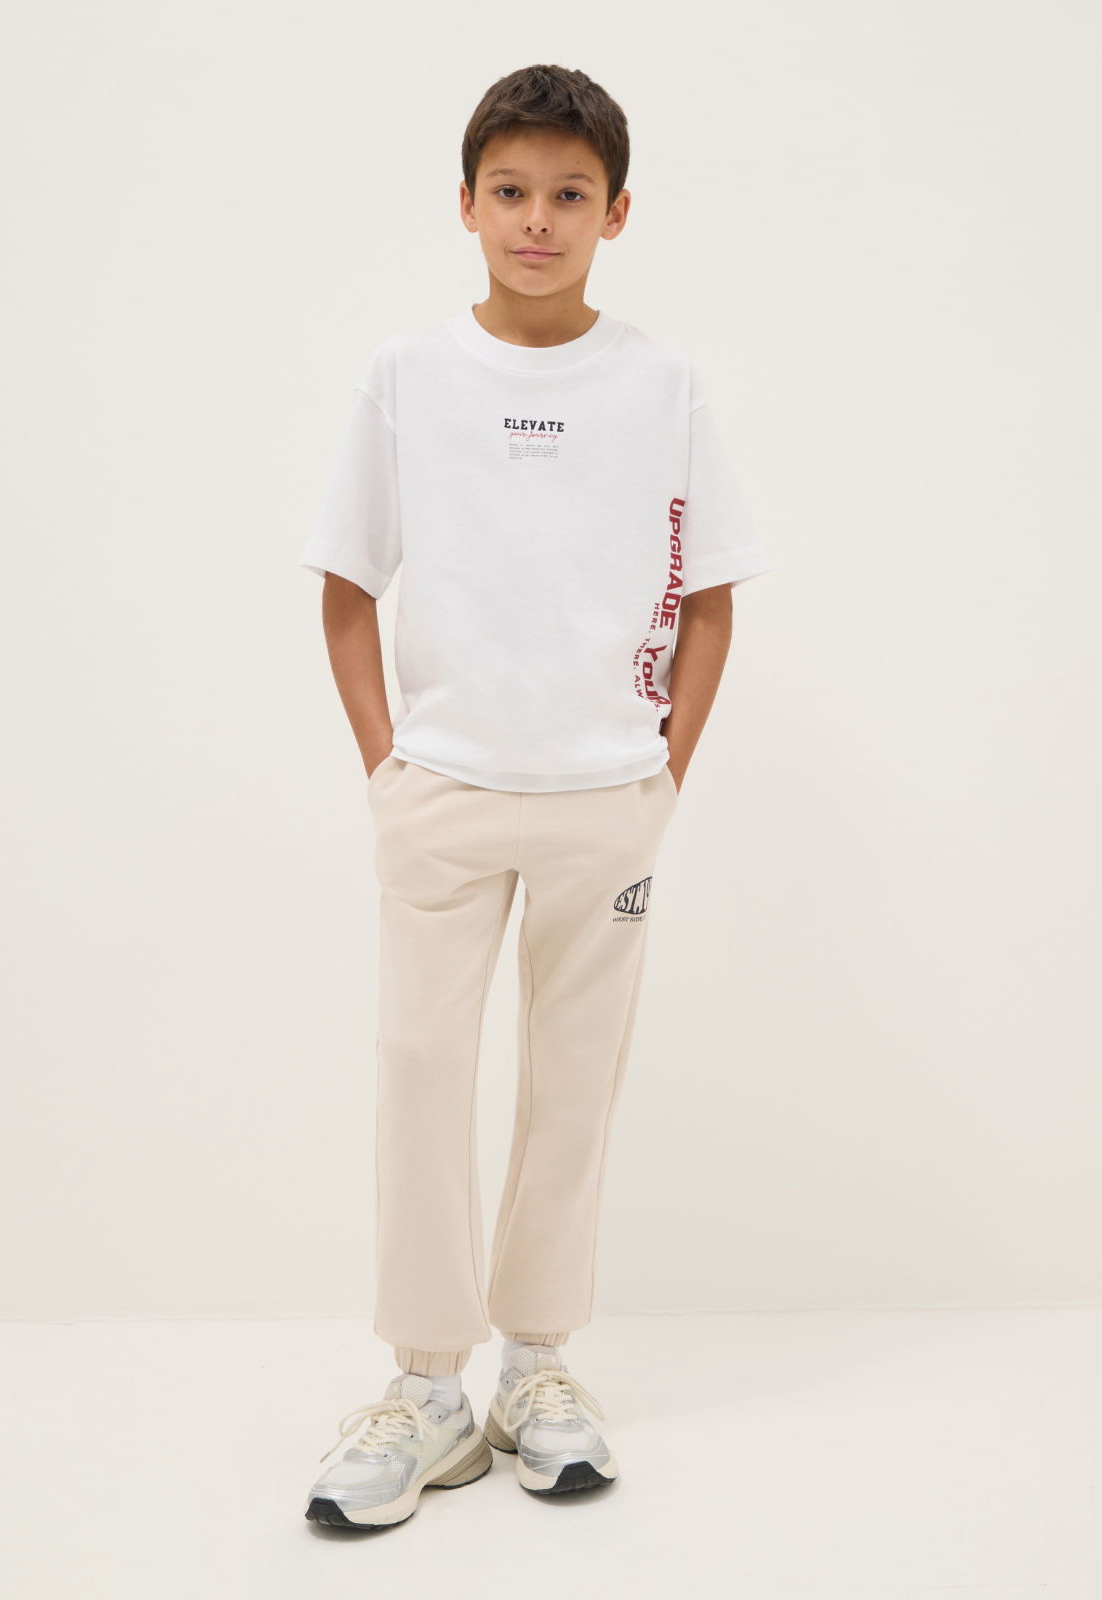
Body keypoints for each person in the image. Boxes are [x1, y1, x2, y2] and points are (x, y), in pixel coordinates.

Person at [298, 62, 771, 1530]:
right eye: (511, 191)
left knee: (573, 1085)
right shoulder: (407, 375)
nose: (538, 220)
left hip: (605, 801)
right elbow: (345, 588)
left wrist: (662, 774)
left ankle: (541, 1369)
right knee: (419, 1074)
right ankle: (426, 1389)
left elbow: (711, 598)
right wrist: (388, 767)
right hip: (440, 796)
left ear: (617, 212)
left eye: (571, 194)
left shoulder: (662, 384)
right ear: (465, 204)